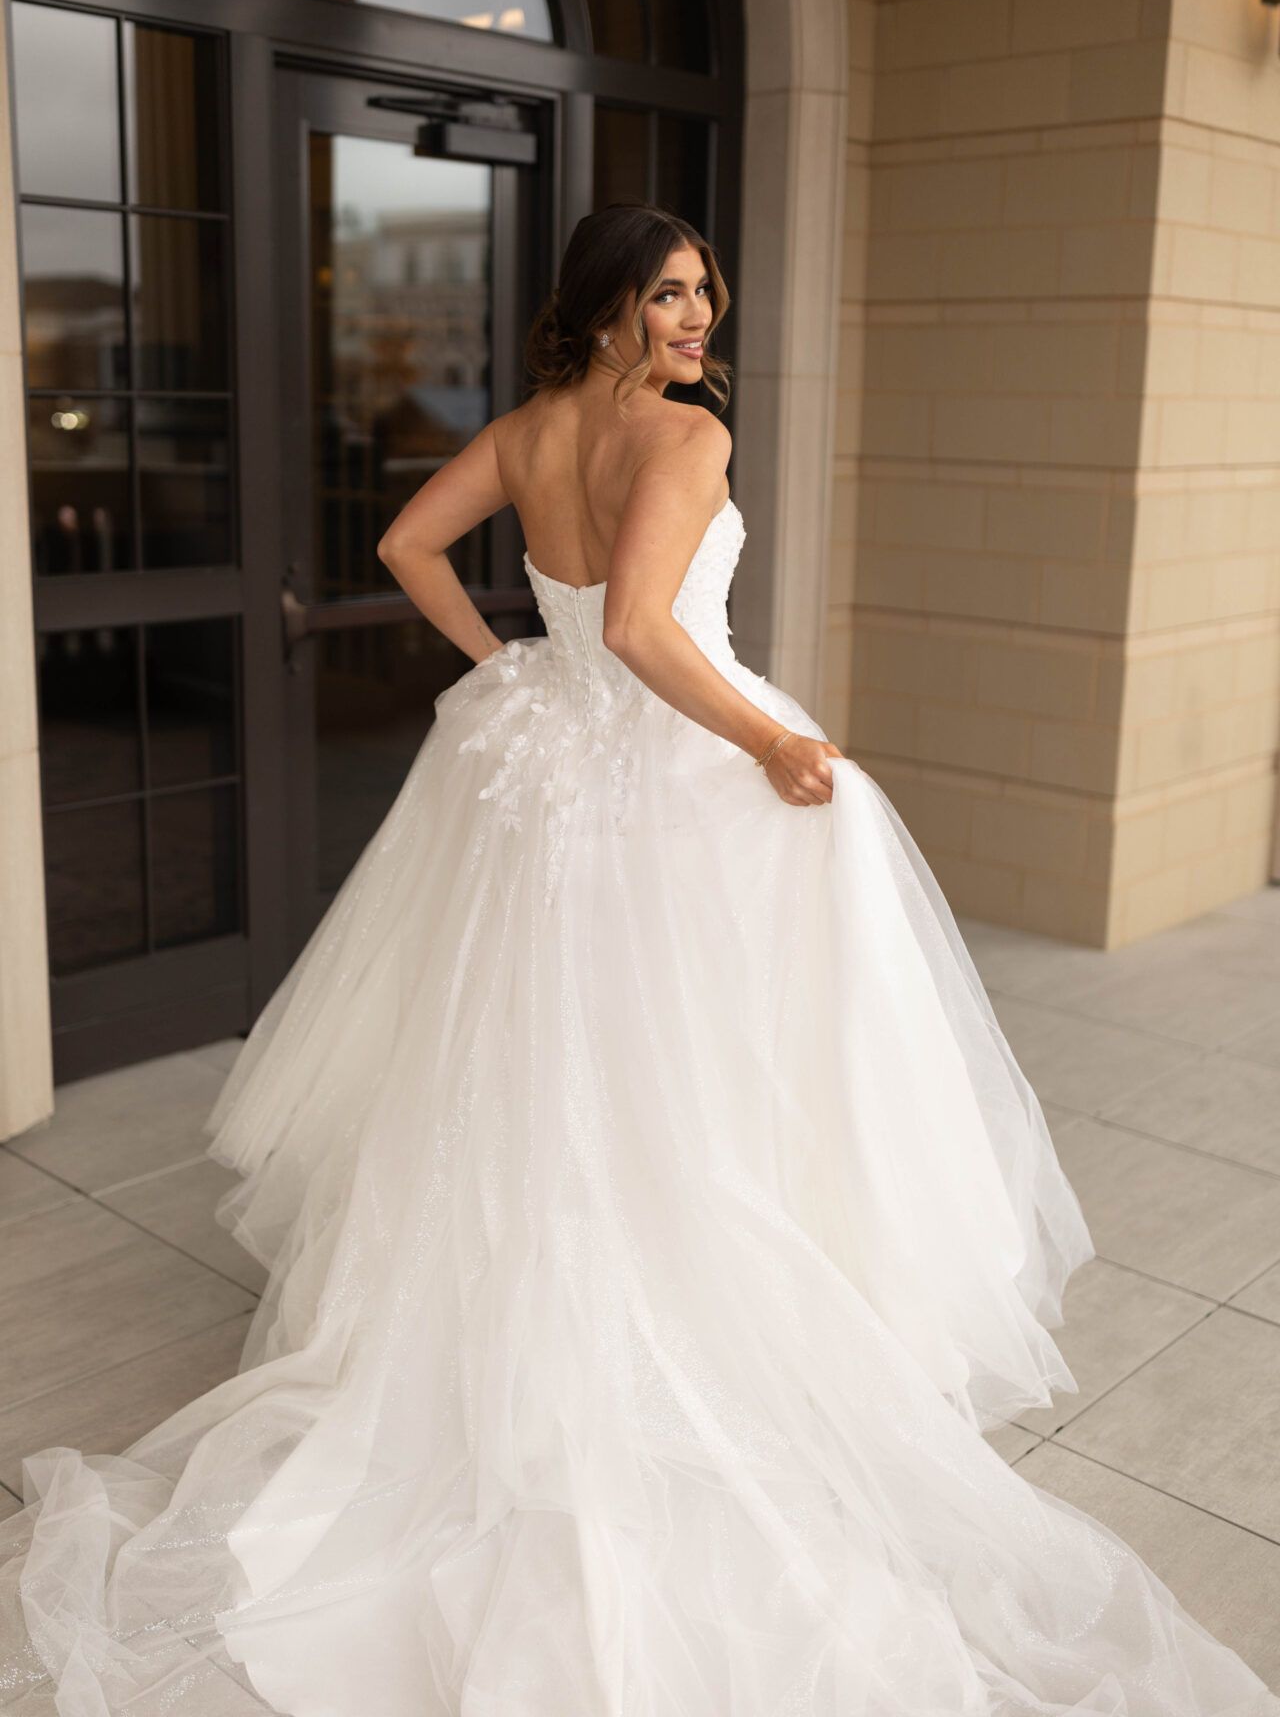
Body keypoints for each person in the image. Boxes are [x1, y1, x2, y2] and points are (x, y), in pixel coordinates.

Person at [1, 203, 1274, 1716]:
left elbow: (412, 543)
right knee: (713, 1064)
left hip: (557, 789)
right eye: (668, 296)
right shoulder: (684, 440)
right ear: (607, 306)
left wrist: (508, 669)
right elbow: (655, 632)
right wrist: (779, 741)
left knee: (558, 1059)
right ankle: (702, 1345)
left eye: (701, 293)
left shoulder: (534, 430)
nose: (693, 320)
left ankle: (539, 1327)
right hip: (678, 777)